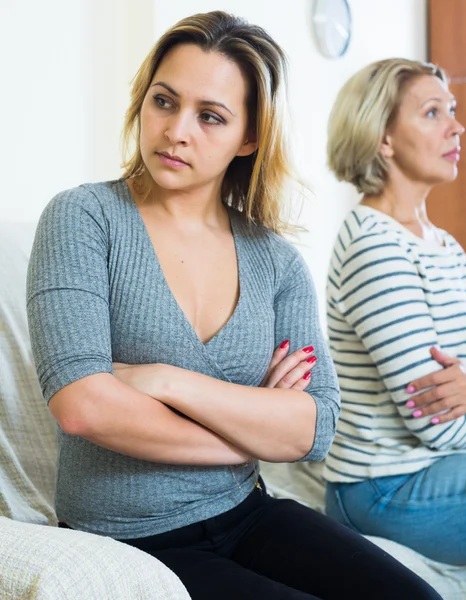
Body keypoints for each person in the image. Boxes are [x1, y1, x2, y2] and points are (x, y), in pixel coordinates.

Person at [26, 14, 442, 600]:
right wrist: (253, 429)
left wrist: (167, 381)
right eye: (164, 102)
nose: (176, 131)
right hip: (126, 536)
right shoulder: (83, 218)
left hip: (246, 513)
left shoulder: (276, 260)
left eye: (210, 116)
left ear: (249, 137)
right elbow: (83, 406)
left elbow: (314, 426)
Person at [323, 57, 466, 566]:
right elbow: (438, 426)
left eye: (451, 110)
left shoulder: (444, 246)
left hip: (450, 465)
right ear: (383, 136)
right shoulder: (372, 246)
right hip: (386, 491)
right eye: (432, 113)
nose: (457, 125)